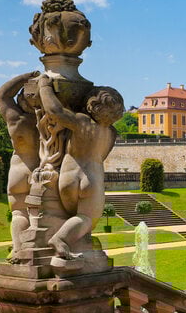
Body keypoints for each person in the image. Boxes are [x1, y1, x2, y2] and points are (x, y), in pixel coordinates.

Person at [38, 79, 124, 259]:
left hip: (67, 177)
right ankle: (60, 239)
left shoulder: (82, 121)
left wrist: (44, 86)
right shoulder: (111, 133)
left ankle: (65, 237)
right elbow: (102, 157)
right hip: (91, 179)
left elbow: (55, 111)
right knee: (86, 218)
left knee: (70, 214)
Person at [0, 71, 41, 254]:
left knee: (18, 213)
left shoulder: (15, 120)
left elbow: (3, 94)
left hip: (17, 170)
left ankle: (17, 251)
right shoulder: (46, 122)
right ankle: (35, 252)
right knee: (36, 215)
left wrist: (25, 77)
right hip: (38, 170)